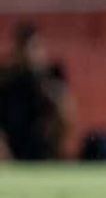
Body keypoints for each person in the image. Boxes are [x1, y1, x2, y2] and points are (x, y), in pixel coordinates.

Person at [0, 22, 74, 161]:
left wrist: (47, 88)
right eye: (25, 49)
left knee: (62, 109)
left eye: (35, 47)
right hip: (12, 143)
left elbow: (66, 113)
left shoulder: (52, 74)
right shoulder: (6, 78)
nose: (30, 54)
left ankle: (54, 158)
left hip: (43, 142)